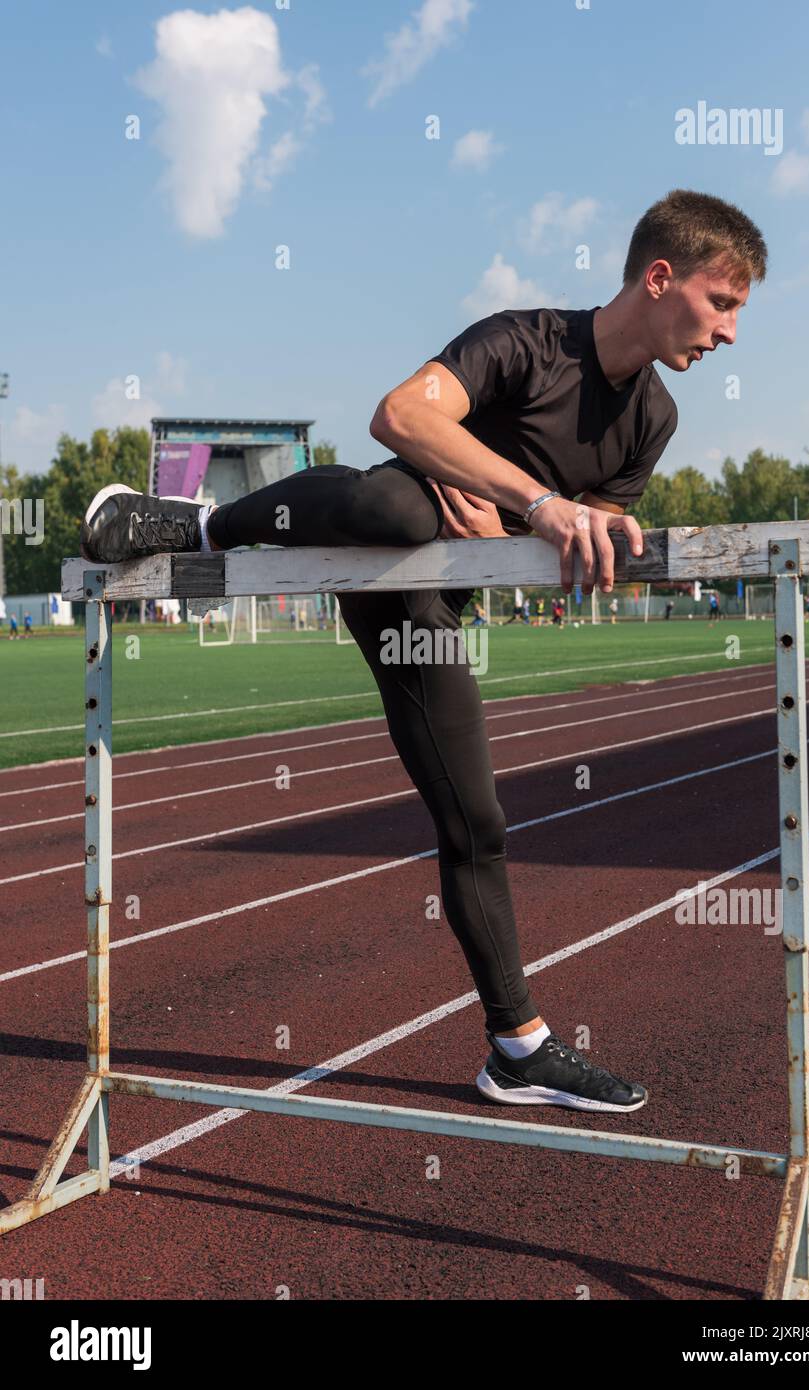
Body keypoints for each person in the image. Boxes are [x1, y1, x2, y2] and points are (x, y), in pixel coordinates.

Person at [80, 188, 766, 1115]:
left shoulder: (652, 419)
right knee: (394, 504)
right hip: (385, 557)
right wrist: (530, 497)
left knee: (476, 821)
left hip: (437, 605)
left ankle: (515, 1046)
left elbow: (594, 528)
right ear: (659, 278)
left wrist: (569, 526)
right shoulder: (523, 341)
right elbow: (400, 415)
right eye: (721, 304)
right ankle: (201, 526)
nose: (727, 334)